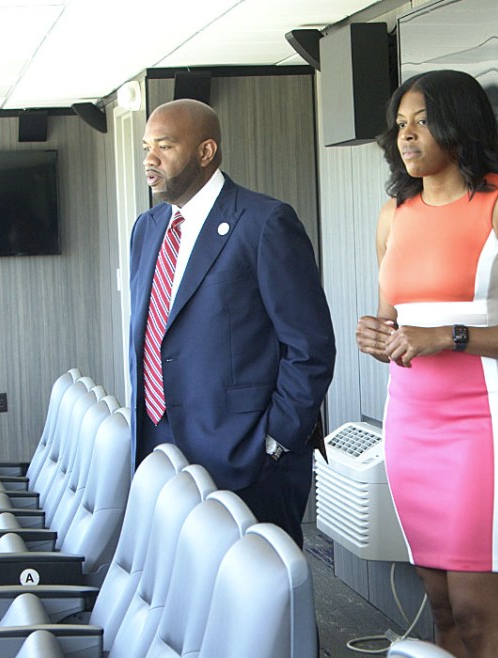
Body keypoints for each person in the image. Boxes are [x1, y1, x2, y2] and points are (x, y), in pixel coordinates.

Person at [355, 70, 498, 658]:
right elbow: (394, 325)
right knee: (443, 608)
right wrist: (378, 335)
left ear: (460, 123)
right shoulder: (393, 214)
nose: (407, 136)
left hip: (484, 429)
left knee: (478, 615)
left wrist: (451, 336)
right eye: (400, 124)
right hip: (409, 428)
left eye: (423, 121)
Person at [129, 99, 335, 548]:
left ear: (206, 152)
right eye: (147, 147)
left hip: (245, 455)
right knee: (184, 597)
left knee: (266, 605)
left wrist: (274, 441)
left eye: (165, 146)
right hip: (160, 446)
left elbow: (310, 347)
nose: (150, 159)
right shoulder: (147, 228)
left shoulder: (263, 222)